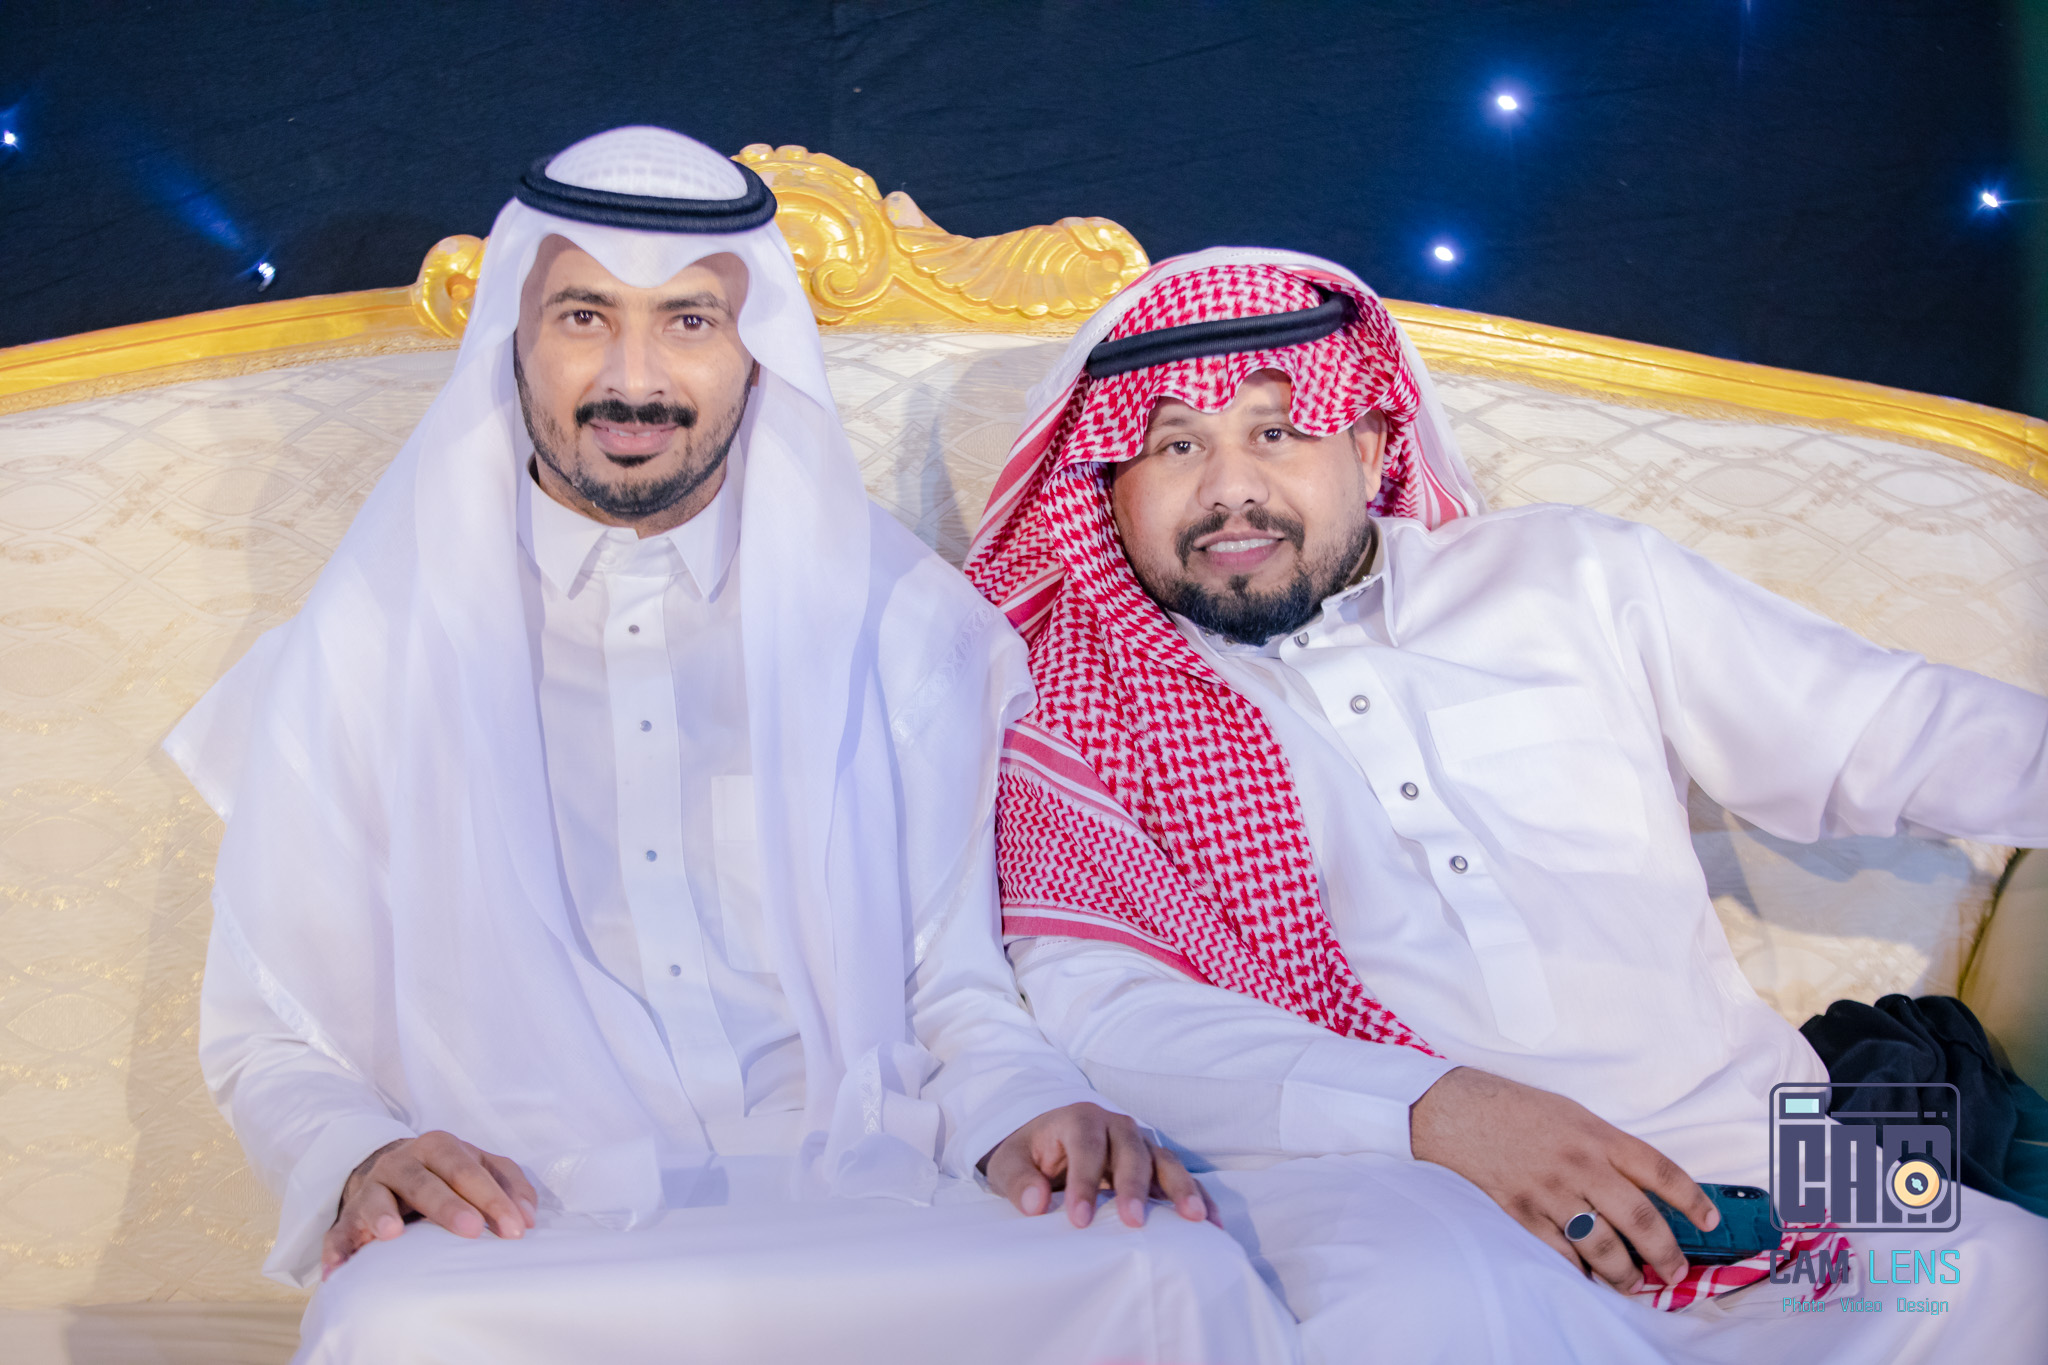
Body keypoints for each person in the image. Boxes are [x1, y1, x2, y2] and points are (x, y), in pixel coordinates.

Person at [169, 131, 1294, 1365]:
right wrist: (359, 1155)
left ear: (756, 350)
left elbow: (952, 985)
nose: (633, 378)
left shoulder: (902, 628)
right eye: (584, 316)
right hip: (527, 1224)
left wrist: (1029, 1109)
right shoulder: (369, 648)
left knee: (1167, 1272)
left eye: (690, 322)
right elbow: (269, 1029)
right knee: (392, 1325)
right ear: (514, 339)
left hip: (877, 1195)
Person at [965, 246, 2048, 1364]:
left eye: (1275, 431)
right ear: (1106, 484)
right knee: (1431, 1324)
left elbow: (1887, 729)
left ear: (1369, 445)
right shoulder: (1070, 701)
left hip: (1768, 1158)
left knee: (2014, 1281)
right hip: (1417, 1202)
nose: (1229, 488)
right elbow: (1106, 1009)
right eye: (1175, 445)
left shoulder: (1570, 576)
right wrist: (1430, 1110)